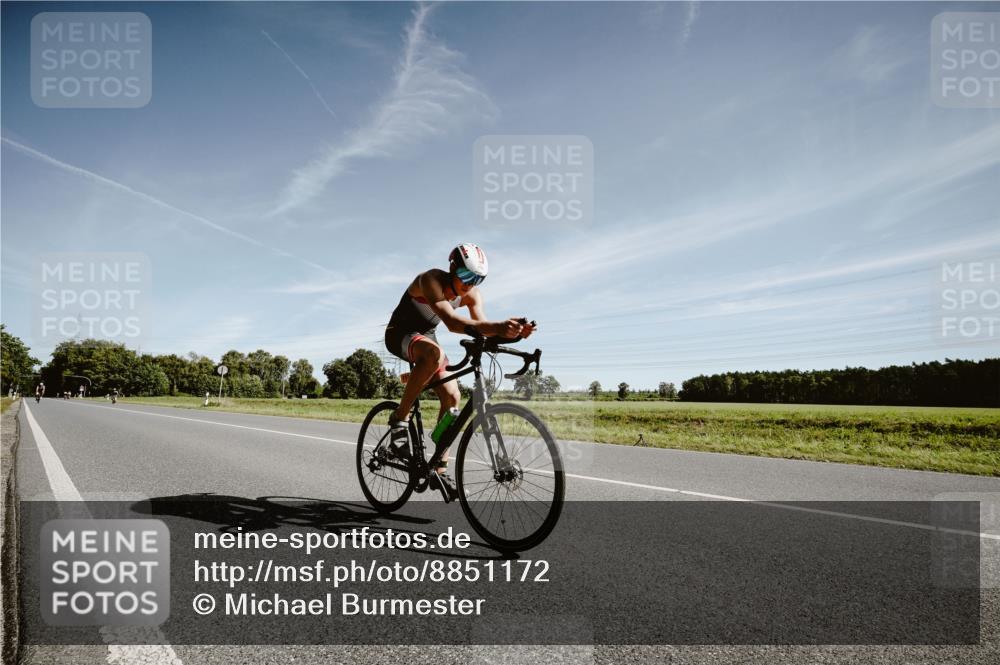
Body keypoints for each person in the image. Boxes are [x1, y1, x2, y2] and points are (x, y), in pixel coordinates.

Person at [383, 243, 534, 498]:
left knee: (453, 395)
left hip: (427, 339)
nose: (469, 284)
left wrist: (515, 334)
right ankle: (399, 421)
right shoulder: (430, 280)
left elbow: (482, 328)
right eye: (465, 275)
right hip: (400, 333)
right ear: (453, 267)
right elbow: (453, 323)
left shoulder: (472, 295)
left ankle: (438, 469)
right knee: (433, 355)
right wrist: (498, 326)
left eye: (477, 279)